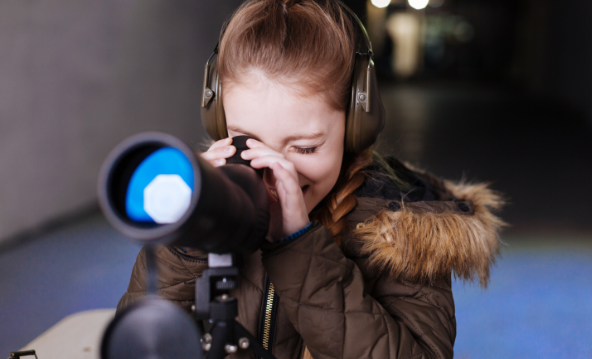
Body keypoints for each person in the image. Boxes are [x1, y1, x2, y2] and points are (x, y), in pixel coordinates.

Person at [117, 1, 505, 358]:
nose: (274, 171)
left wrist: (298, 249)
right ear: (218, 121)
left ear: (355, 128)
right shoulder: (216, 206)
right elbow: (144, 340)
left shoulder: (406, 228)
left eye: (303, 148)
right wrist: (189, 237)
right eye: (245, 142)